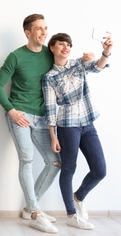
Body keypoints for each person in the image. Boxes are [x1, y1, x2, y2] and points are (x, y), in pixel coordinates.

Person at [0, 14, 62, 233]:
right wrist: (11, 111)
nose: (44, 32)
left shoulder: (50, 55)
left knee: (55, 161)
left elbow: (68, 65)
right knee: (27, 159)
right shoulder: (16, 56)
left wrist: (99, 56)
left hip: (42, 118)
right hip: (20, 114)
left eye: (45, 28)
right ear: (27, 32)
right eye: (39, 28)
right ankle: (35, 212)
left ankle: (31, 206)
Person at [42, 33, 112, 230]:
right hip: (67, 126)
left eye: (69, 44)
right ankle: (71, 214)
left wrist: (105, 51)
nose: (66, 47)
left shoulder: (79, 64)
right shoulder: (49, 77)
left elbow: (98, 66)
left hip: (88, 123)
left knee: (100, 170)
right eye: (61, 44)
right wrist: (53, 135)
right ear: (52, 48)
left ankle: (78, 197)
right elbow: (49, 108)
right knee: (68, 169)